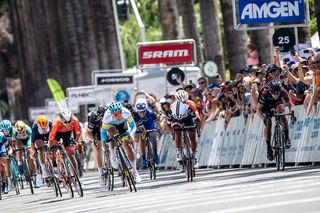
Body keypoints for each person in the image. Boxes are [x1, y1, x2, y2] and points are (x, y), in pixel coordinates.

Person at [100, 101, 141, 183]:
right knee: (112, 134)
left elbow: (133, 126)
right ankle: (113, 154)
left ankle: (135, 172)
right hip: (111, 125)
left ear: (122, 111)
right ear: (111, 114)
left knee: (127, 144)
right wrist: (104, 141)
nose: (118, 116)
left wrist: (130, 134)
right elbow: (103, 132)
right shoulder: (107, 116)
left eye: (119, 113)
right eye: (115, 114)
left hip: (123, 124)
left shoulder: (126, 112)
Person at [257, 80, 294, 161]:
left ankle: (287, 138)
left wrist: (292, 114)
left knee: (282, 113)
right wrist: (263, 119)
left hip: (277, 103)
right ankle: (268, 147)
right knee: (268, 122)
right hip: (266, 106)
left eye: (277, 93)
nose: (276, 95)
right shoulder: (265, 94)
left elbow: (290, 104)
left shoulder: (283, 91)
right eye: (274, 93)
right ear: (270, 91)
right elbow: (258, 109)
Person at [168, 92, 198, 169]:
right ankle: (179, 150)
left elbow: (195, 117)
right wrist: (172, 132)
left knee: (192, 136)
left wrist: (196, 127)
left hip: (187, 118)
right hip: (176, 119)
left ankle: (194, 155)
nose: (183, 103)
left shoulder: (189, 105)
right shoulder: (172, 107)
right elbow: (168, 122)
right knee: (178, 132)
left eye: (184, 101)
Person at [49, 108, 81, 175]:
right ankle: (55, 166)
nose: (68, 123)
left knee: (71, 154)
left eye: (69, 121)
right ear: (61, 120)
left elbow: (78, 133)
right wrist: (50, 148)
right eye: (65, 122)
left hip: (67, 134)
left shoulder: (75, 120)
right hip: (57, 133)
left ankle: (76, 176)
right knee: (53, 149)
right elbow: (51, 137)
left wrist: (75, 142)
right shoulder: (56, 122)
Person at [13, 120, 41, 188]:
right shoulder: (14, 132)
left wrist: (30, 148)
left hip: (28, 139)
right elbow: (14, 142)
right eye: (19, 132)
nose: (21, 133)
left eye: (22, 131)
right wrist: (15, 149)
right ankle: (20, 170)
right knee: (18, 152)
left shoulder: (28, 129)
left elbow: (32, 141)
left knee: (31, 157)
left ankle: (35, 176)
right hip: (19, 141)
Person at [135, 98, 161, 169]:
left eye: (143, 112)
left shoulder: (151, 112)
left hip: (150, 125)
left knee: (153, 136)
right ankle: (143, 158)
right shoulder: (135, 114)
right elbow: (133, 125)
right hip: (140, 127)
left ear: (146, 109)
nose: (141, 114)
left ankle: (155, 154)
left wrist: (159, 130)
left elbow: (157, 123)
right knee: (141, 139)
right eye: (139, 112)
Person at [85, 106, 107, 186]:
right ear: (98, 115)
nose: (101, 119)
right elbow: (88, 132)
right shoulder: (92, 117)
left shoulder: (109, 114)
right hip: (95, 129)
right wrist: (94, 140)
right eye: (100, 117)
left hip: (107, 126)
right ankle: (101, 173)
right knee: (97, 147)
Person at [31, 115, 52, 180]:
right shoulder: (35, 128)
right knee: (39, 148)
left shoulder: (51, 124)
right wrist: (34, 152)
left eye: (45, 127)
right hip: (39, 136)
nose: (44, 129)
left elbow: (56, 136)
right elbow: (32, 143)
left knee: (53, 146)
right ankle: (44, 169)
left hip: (49, 134)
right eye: (42, 128)